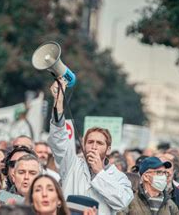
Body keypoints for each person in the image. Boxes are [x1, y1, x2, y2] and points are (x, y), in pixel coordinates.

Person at [47, 81, 133, 214]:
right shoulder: (71, 164)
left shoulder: (119, 177)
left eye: (99, 143)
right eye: (90, 142)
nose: (93, 146)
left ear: (108, 149)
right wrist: (58, 102)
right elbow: (59, 139)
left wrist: (99, 172)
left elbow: (122, 202)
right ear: (83, 145)